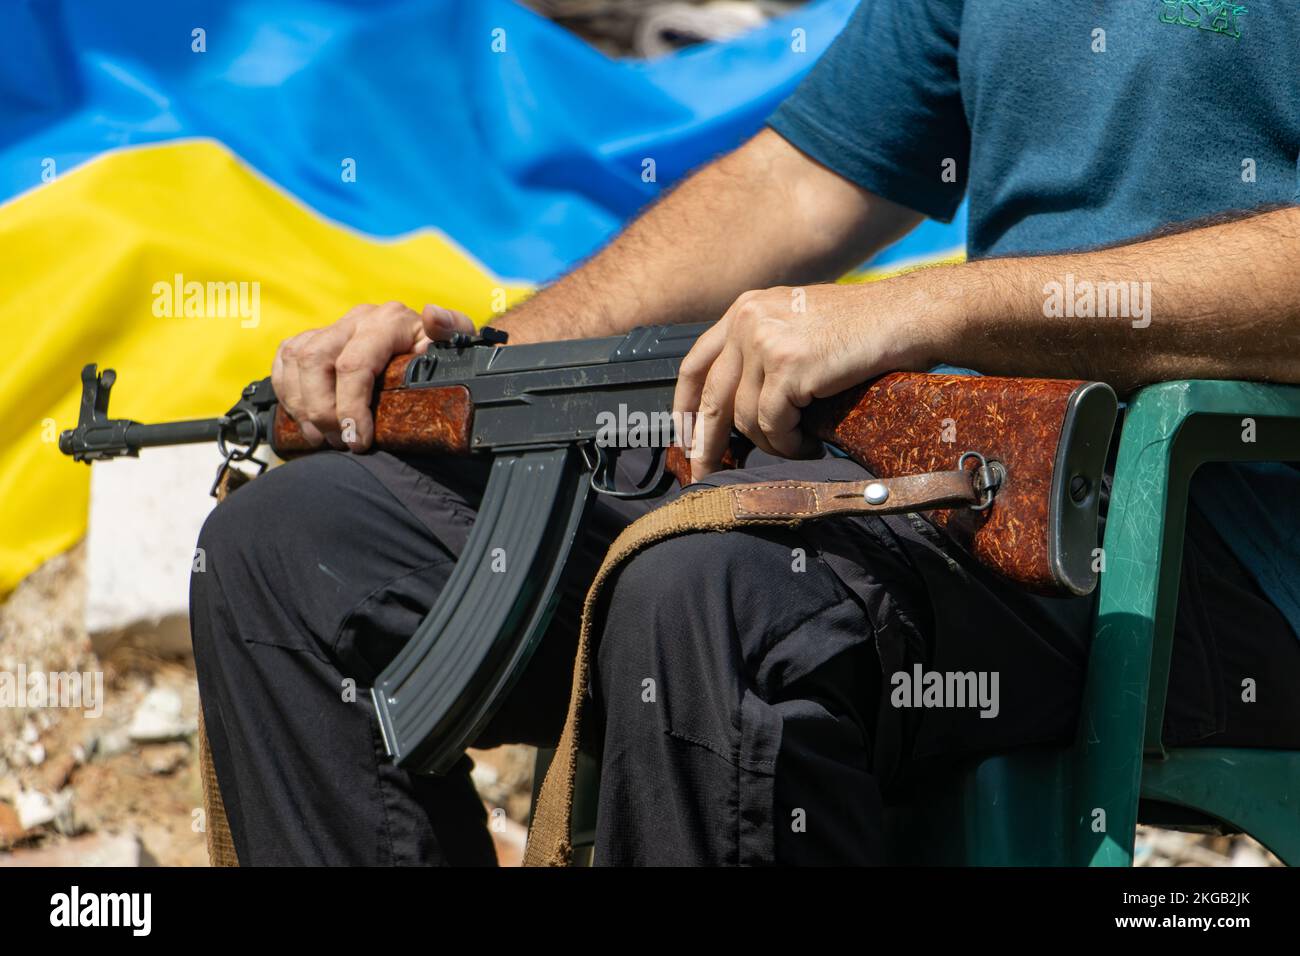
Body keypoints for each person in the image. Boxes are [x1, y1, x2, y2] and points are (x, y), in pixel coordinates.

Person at [191, 1, 1300, 865]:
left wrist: (930, 307)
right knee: (295, 549)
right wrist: (477, 364)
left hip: (1232, 542)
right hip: (979, 488)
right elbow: (799, 186)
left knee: (715, 595)